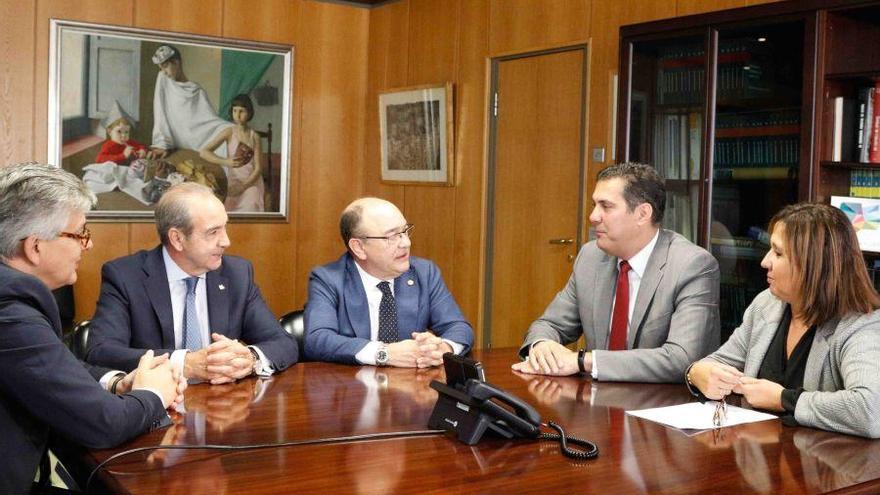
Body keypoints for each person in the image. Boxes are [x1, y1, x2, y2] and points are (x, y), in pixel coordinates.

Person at [0, 162, 184, 494]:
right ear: (35, 246)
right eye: (80, 233)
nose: (88, 245)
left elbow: (51, 363)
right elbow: (103, 424)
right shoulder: (9, 305)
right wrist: (155, 393)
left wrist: (117, 384)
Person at [686, 203, 880, 438]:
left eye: (778, 253)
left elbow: (871, 411)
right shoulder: (767, 304)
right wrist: (696, 373)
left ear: (813, 264)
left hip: (828, 467)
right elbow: (718, 362)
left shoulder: (862, 325)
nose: (765, 261)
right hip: (759, 460)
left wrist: (783, 399)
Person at [513, 162, 720, 382]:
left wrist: (583, 361)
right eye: (595, 205)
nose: (593, 217)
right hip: (599, 399)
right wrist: (543, 346)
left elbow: (682, 359)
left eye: (606, 206)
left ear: (642, 213)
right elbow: (550, 324)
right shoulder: (591, 257)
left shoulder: (692, 265)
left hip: (663, 404)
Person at [85, 182, 298, 383]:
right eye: (213, 232)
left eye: (225, 228)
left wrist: (251, 359)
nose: (226, 241)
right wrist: (184, 363)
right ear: (177, 239)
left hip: (222, 411)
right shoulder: (125, 276)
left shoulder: (237, 275)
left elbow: (283, 343)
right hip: (155, 410)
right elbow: (101, 351)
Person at [304, 197, 474, 366]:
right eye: (392, 236)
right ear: (359, 247)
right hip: (353, 387)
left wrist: (442, 350)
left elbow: (459, 327)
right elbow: (318, 339)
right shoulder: (328, 279)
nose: (406, 243)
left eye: (405, 231)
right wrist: (384, 352)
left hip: (411, 387)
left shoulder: (424, 273)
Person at [149, 44, 231, 159]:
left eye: (166, 66)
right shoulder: (163, 79)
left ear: (177, 63)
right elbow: (159, 113)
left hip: (198, 134)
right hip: (182, 136)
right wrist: (161, 144)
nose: (164, 71)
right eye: (161, 68)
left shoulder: (197, 90)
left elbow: (208, 119)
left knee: (231, 130)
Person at [199, 94, 265, 212]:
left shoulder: (254, 136)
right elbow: (203, 152)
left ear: (249, 113)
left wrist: (243, 186)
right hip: (233, 181)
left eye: (242, 111)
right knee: (227, 210)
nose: (238, 115)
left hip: (250, 182)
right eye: (235, 111)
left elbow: (258, 168)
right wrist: (225, 161)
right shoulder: (229, 132)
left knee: (252, 202)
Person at [95, 100, 149, 165]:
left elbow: (141, 146)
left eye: (126, 132)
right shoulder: (108, 146)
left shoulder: (129, 142)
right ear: (109, 132)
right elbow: (99, 159)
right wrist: (123, 156)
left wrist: (142, 150)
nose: (123, 135)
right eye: (119, 131)